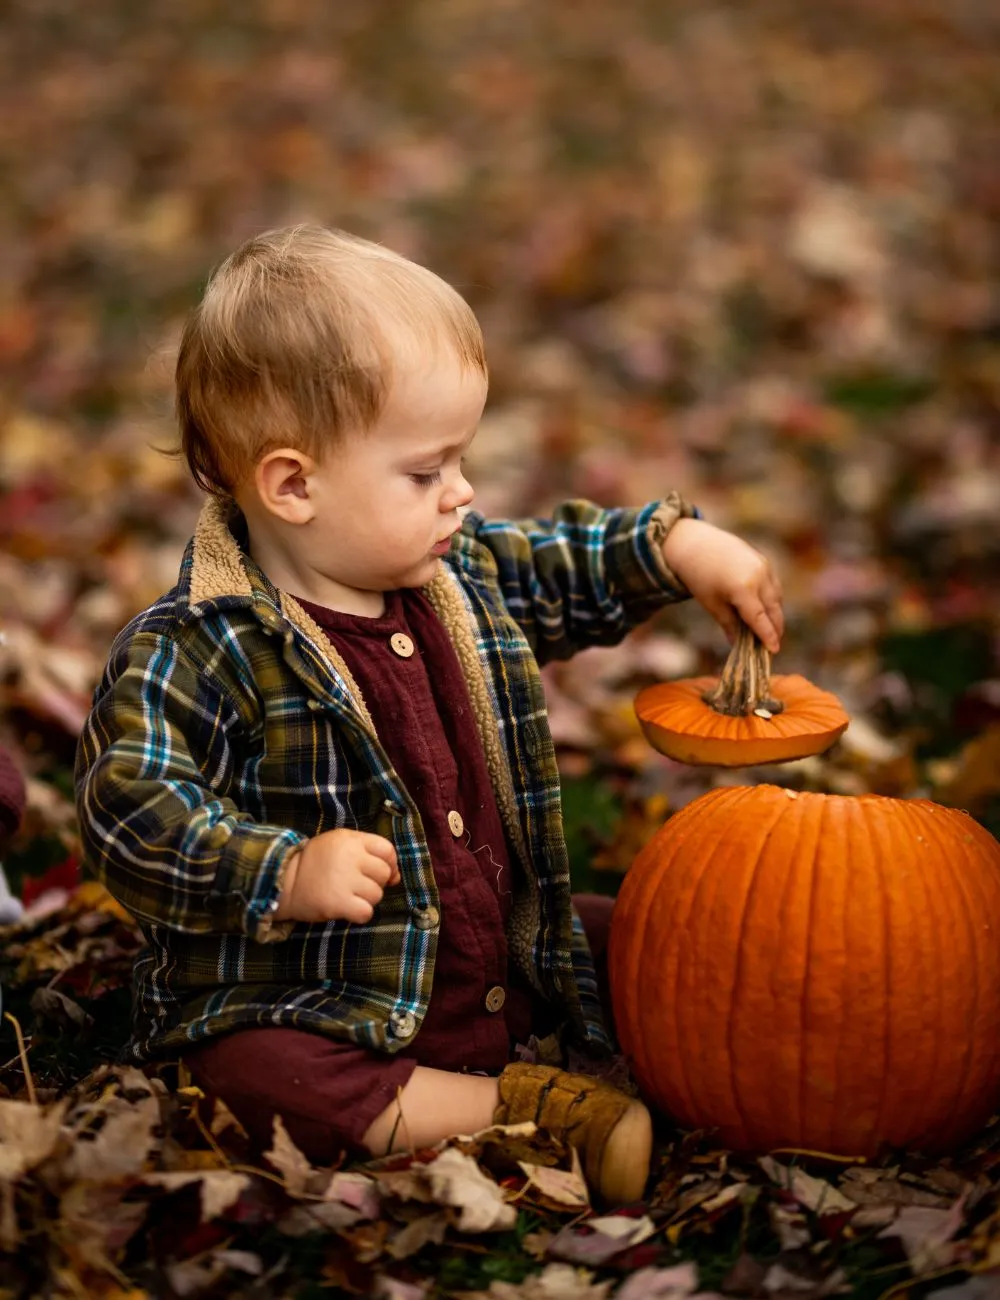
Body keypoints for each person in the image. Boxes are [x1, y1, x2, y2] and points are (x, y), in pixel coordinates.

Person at [75, 225, 783, 1206]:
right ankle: (507, 1112)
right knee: (254, 1073)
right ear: (292, 484)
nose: (462, 493)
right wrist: (276, 869)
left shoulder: (455, 575)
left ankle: (765, 1053)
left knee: (652, 932)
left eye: (459, 461)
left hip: (489, 943)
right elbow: (129, 807)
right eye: (425, 471)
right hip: (322, 995)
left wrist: (679, 552)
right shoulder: (199, 647)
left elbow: (557, 562)